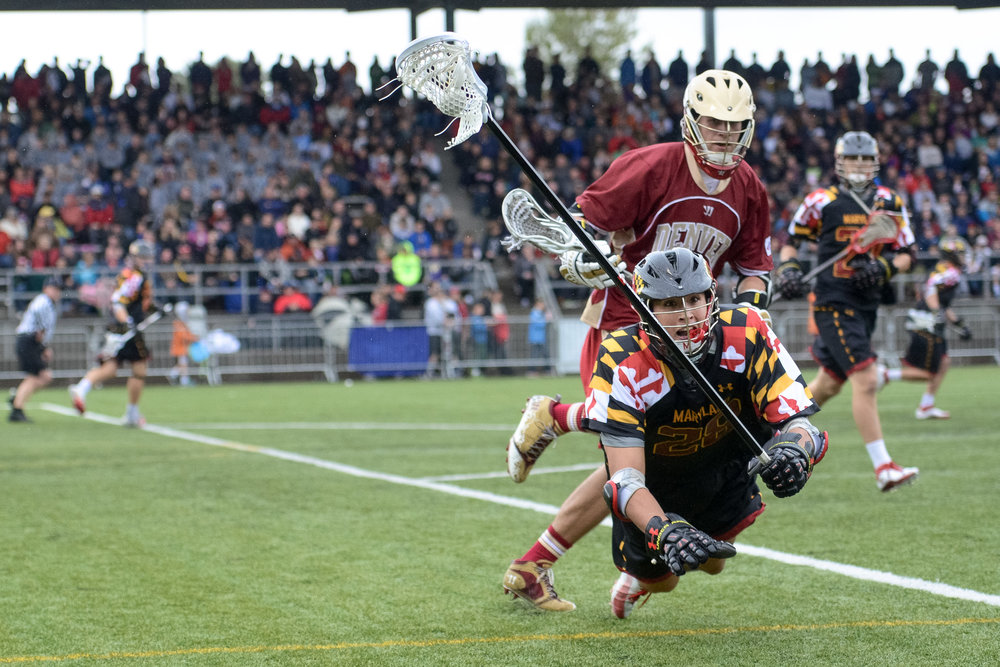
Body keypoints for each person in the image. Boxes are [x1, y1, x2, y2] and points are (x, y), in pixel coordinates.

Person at [502, 69, 773, 611]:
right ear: (692, 120)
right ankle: (556, 438)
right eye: (715, 122)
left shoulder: (749, 187)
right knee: (633, 458)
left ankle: (542, 555)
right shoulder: (650, 165)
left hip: (696, 334)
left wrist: (748, 315)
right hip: (625, 323)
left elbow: (755, 268)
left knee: (650, 462)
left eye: (735, 124)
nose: (724, 134)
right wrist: (580, 260)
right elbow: (581, 227)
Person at [585, 249, 826, 618]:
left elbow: (799, 421)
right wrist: (663, 532)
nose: (685, 314)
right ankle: (640, 581)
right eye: (668, 303)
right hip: (657, 483)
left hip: (725, 464)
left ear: (711, 296)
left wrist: (796, 451)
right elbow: (624, 481)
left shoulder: (746, 330)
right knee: (664, 580)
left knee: (713, 562)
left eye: (694, 299)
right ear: (644, 307)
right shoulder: (620, 357)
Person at [774, 131, 918, 492]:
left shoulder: (889, 201)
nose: (859, 166)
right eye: (852, 159)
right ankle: (884, 467)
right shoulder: (822, 200)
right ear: (840, 163)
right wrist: (789, 271)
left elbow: (906, 253)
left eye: (865, 159)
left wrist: (885, 269)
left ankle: (775, 431)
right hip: (833, 303)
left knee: (829, 384)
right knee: (866, 379)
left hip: (866, 304)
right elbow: (790, 244)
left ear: (875, 163)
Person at [69, 240, 157, 427]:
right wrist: (127, 321)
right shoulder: (134, 276)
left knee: (110, 367)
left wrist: (156, 308)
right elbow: (118, 302)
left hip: (116, 328)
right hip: (127, 329)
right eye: (143, 257)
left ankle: (81, 388)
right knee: (139, 370)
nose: (147, 261)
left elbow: (138, 301)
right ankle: (132, 413)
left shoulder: (129, 275)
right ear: (134, 258)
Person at [879, 240, 971, 420]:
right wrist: (936, 314)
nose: (963, 258)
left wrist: (959, 324)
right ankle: (885, 375)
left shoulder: (946, 271)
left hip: (928, 321)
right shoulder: (949, 272)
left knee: (944, 363)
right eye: (960, 254)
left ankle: (927, 405)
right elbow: (931, 291)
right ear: (951, 255)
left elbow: (943, 303)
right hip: (925, 322)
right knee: (929, 372)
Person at [9, 277, 63, 422]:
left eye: (58, 289)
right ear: (46, 288)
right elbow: (40, 330)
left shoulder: (46, 303)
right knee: (38, 376)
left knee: (43, 377)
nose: (56, 292)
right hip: (29, 341)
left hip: (30, 341)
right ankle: (17, 409)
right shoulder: (43, 303)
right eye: (54, 288)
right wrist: (43, 348)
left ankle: (17, 398)